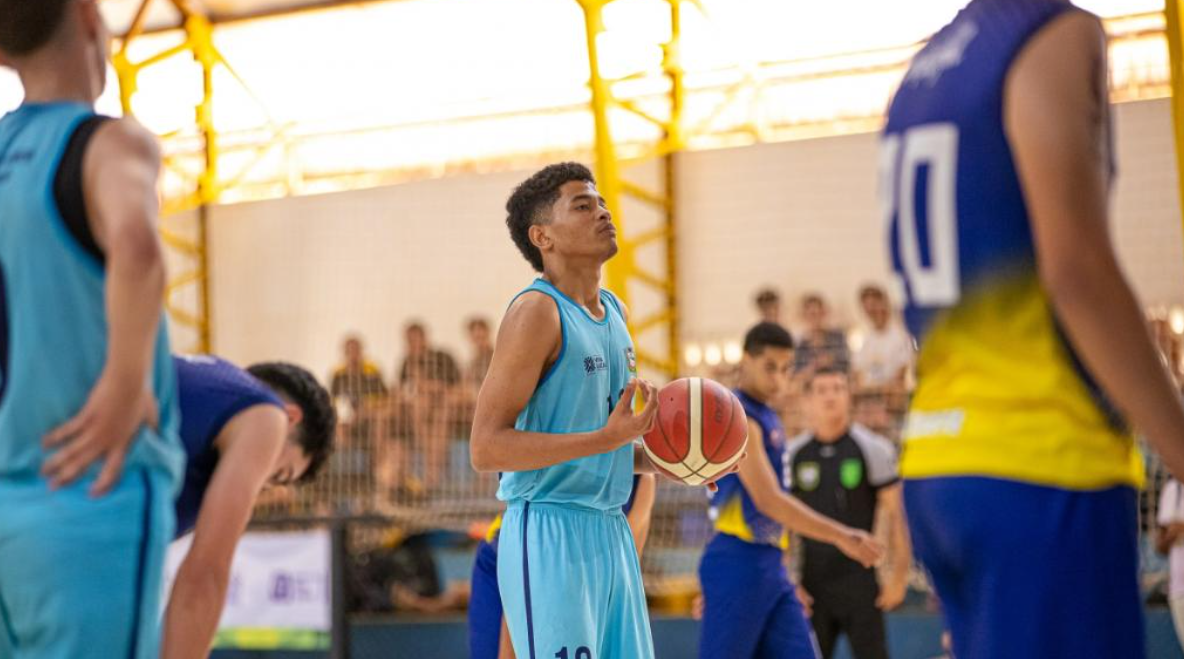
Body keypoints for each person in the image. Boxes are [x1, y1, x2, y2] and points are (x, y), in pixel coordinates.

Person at [882, 1, 1184, 656]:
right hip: (1039, 465)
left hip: (938, 463)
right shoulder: (1053, 31)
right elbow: (1078, 272)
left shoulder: (922, 72)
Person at [0, 1, 185, 656]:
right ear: (87, 16)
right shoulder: (109, 142)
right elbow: (137, 247)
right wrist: (125, 381)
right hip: (86, 491)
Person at [470, 161, 672, 658]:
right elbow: (485, 448)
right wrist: (606, 439)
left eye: (601, 202)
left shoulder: (617, 312)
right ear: (543, 237)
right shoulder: (535, 312)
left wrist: (678, 461)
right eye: (583, 206)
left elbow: (607, 445)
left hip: (610, 528)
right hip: (549, 532)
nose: (603, 212)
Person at [699, 322, 883, 659]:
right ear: (745, 360)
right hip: (737, 560)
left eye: (785, 369)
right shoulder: (738, 416)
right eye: (769, 367)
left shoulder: (768, 415)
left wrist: (784, 568)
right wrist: (841, 535)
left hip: (770, 564)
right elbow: (768, 501)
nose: (778, 378)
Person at [162, 355, 335, 659]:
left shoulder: (200, 378)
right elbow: (204, 579)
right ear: (289, 418)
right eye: (279, 475)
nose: (262, 486)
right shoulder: (264, 416)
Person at [788, 368, 911, 659]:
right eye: (822, 390)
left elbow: (898, 516)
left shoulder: (874, 449)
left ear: (849, 396)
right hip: (812, 584)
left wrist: (899, 576)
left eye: (838, 388)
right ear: (807, 400)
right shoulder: (793, 454)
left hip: (861, 582)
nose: (830, 396)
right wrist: (788, 581)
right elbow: (780, 522)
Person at [468, 474, 657, 659]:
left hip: (555, 571)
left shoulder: (642, 483)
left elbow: (622, 582)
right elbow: (525, 582)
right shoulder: (577, 466)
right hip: (510, 559)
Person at [851, 285, 913, 392]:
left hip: (894, 395)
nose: (872, 312)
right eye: (867, 308)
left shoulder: (902, 334)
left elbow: (903, 371)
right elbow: (857, 372)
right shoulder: (864, 339)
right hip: (869, 396)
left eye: (874, 306)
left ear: (884, 303)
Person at [794, 294, 850, 375]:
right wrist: (814, 366)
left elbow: (847, 367)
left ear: (824, 313)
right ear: (804, 316)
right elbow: (796, 374)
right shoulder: (800, 346)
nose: (816, 319)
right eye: (812, 314)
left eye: (819, 313)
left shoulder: (838, 337)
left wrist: (830, 361)